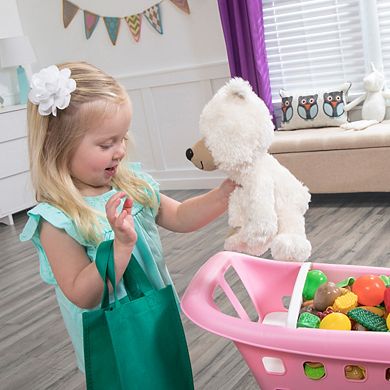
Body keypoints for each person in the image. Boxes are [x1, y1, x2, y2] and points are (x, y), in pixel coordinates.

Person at [20, 62, 235, 374]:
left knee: (167, 372)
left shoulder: (130, 182)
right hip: (112, 335)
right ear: (58, 146)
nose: (119, 150)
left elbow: (180, 216)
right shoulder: (57, 220)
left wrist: (223, 194)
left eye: (122, 138)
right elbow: (84, 294)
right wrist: (120, 247)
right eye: (106, 144)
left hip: (156, 311)